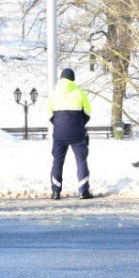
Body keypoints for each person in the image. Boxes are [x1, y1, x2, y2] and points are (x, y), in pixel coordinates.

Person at [46, 67, 93, 199]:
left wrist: (59, 124)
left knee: (57, 160)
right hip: (77, 133)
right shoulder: (79, 92)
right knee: (81, 160)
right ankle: (84, 191)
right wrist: (80, 123)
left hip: (59, 133)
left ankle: (55, 191)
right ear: (73, 79)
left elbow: (49, 114)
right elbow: (88, 112)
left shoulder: (54, 94)